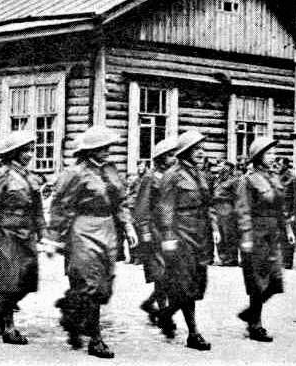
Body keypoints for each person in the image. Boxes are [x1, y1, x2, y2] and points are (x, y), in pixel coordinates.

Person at [48, 126, 138, 359]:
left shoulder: (110, 170)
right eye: (102, 147)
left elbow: (121, 201)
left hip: (108, 229)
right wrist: (54, 239)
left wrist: (127, 226)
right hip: (83, 229)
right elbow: (61, 206)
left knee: (104, 284)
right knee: (91, 281)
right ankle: (96, 339)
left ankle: (70, 313)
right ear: (90, 150)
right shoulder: (74, 173)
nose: (108, 151)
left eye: (108, 147)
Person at [0, 131, 46, 344]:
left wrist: (42, 230)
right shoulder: (0, 175)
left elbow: (37, 208)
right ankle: (8, 326)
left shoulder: (29, 176)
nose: (29, 154)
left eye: (31, 150)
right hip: (5, 233)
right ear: (13, 153)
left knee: (27, 279)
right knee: (9, 279)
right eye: (25, 150)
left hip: (26, 233)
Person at [155, 130, 216, 351]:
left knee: (198, 283)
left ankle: (165, 314)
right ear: (185, 152)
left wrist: (214, 228)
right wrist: (168, 237)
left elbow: (208, 204)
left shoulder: (201, 174)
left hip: (200, 232)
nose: (201, 153)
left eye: (202, 149)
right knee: (186, 282)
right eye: (196, 149)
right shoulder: (173, 175)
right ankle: (193, 333)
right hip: (181, 233)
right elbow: (166, 208)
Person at [235, 137, 294, 342]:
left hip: (273, 233)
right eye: (268, 153)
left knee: (275, 280)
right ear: (258, 157)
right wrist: (246, 237)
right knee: (258, 280)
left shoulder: (274, 177)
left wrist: (287, 228)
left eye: (273, 152)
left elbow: (280, 207)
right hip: (256, 234)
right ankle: (255, 324)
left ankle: (249, 313)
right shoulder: (248, 180)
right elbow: (242, 211)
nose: (273, 156)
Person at [134, 137, 178, 324]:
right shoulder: (150, 177)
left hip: (173, 229)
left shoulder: (175, 176)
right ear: (160, 158)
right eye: (169, 155)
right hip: (156, 229)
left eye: (175, 154)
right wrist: (144, 231)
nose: (174, 158)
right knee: (161, 272)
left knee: (173, 272)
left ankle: (150, 302)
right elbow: (141, 207)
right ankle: (163, 312)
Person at [213, 160, 240, 266]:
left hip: (228, 209)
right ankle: (223, 257)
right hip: (218, 209)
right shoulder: (218, 180)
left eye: (222, 166)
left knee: (229, 234)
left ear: (228, 168)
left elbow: (237, 196)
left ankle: (231, 259)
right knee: (220, 234)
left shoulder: (234, 181)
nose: (220, 168)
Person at [277, 157, 296, 269]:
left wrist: (294, 214)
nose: (278, 166)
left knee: (288, 238)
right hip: (278, 212)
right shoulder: (276, 177)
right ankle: (280, 261)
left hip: (289, 213)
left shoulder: (293, 178)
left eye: (280, 164)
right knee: (280, 237)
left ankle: (287, 262)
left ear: (286, 165)